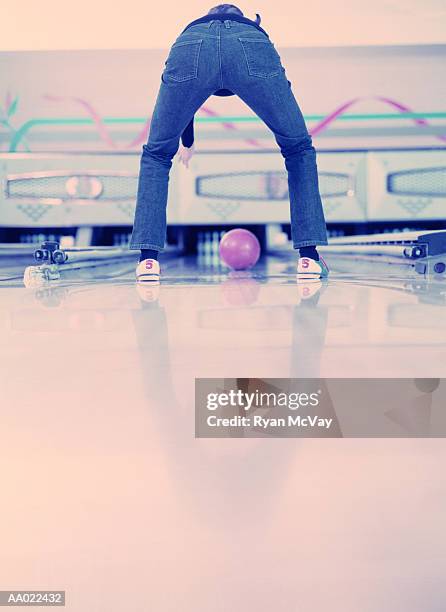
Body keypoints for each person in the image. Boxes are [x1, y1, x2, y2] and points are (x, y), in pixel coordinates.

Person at [131, 3, 329, 282]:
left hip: (189, 48)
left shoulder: (193, 31)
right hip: (251, 47)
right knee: (299, 149)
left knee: (156, 155)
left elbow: (184, 100)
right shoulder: (252, 29)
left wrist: (186, 142)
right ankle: (309, 258)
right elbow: (282, 90)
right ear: (242, 18)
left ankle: (147, 261)